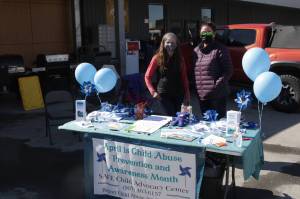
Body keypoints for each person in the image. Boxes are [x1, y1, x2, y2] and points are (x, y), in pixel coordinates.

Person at [192, 22, 233, 119]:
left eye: (208, 32)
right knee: (206, 124)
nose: (205, 34)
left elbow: (228, 71)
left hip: (217, 95)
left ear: (214, 34)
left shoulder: (220, 49)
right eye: (203, 32)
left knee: (218, 126)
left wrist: (215, 86)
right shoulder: (196, 50)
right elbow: (195, 71)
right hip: (202, 95)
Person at [144, 32, 190, 116]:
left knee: (179, 117)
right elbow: (147, 76)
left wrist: (187, 95)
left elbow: (184, 77)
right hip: (163, 94)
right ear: (163, 43)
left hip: (178, 93)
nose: (170, 45)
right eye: (168, 42)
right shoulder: (157, 58)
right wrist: (153, 92)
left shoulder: (180, 59)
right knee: (171, 116)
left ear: (176, 44)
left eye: (173, 42)